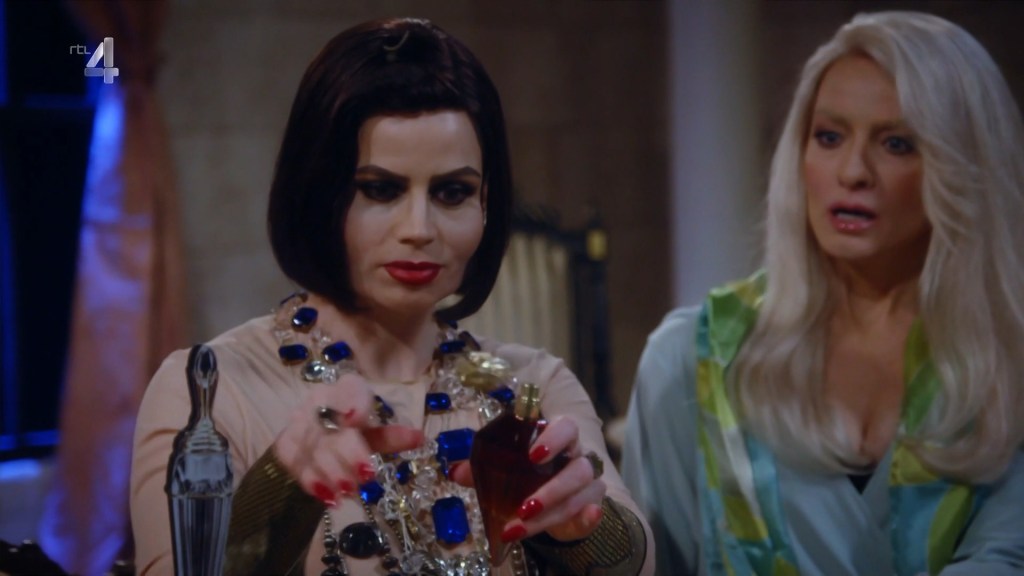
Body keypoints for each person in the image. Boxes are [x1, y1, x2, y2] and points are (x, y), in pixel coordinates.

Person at [130, 17, 652, 576]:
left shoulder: (535, 387)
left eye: (452, 192)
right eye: (380, 190)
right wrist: (280, 484)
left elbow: (636, 565)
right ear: (317, 194)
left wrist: (582, 532)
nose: (419, 228)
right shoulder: (208, 391)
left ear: (485, 205)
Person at [621, 10, 1024, 576]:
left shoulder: (1007, 363)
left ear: (962, 167)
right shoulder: (690, 359)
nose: (853, 171)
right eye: (829, 137)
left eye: (896, 143)